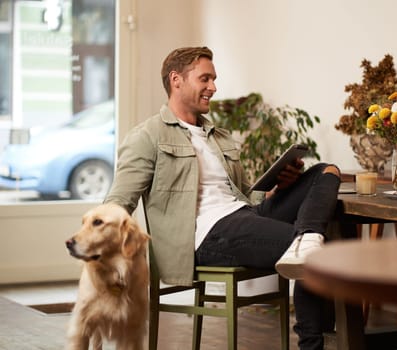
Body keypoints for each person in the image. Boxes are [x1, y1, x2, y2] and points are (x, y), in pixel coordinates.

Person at [105, 46, 341, 350]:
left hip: (244, 217)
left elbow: (245, 195)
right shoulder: (147, 136)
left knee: (326, 171)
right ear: (176, 80)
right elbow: (117, 203)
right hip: (207, 235)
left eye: (214, 79)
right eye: (205, 79)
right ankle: (313, 341)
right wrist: (103, 256)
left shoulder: (219, 136)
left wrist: (278, 187)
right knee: (321, 252)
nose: (213, 88)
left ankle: (307, 238)